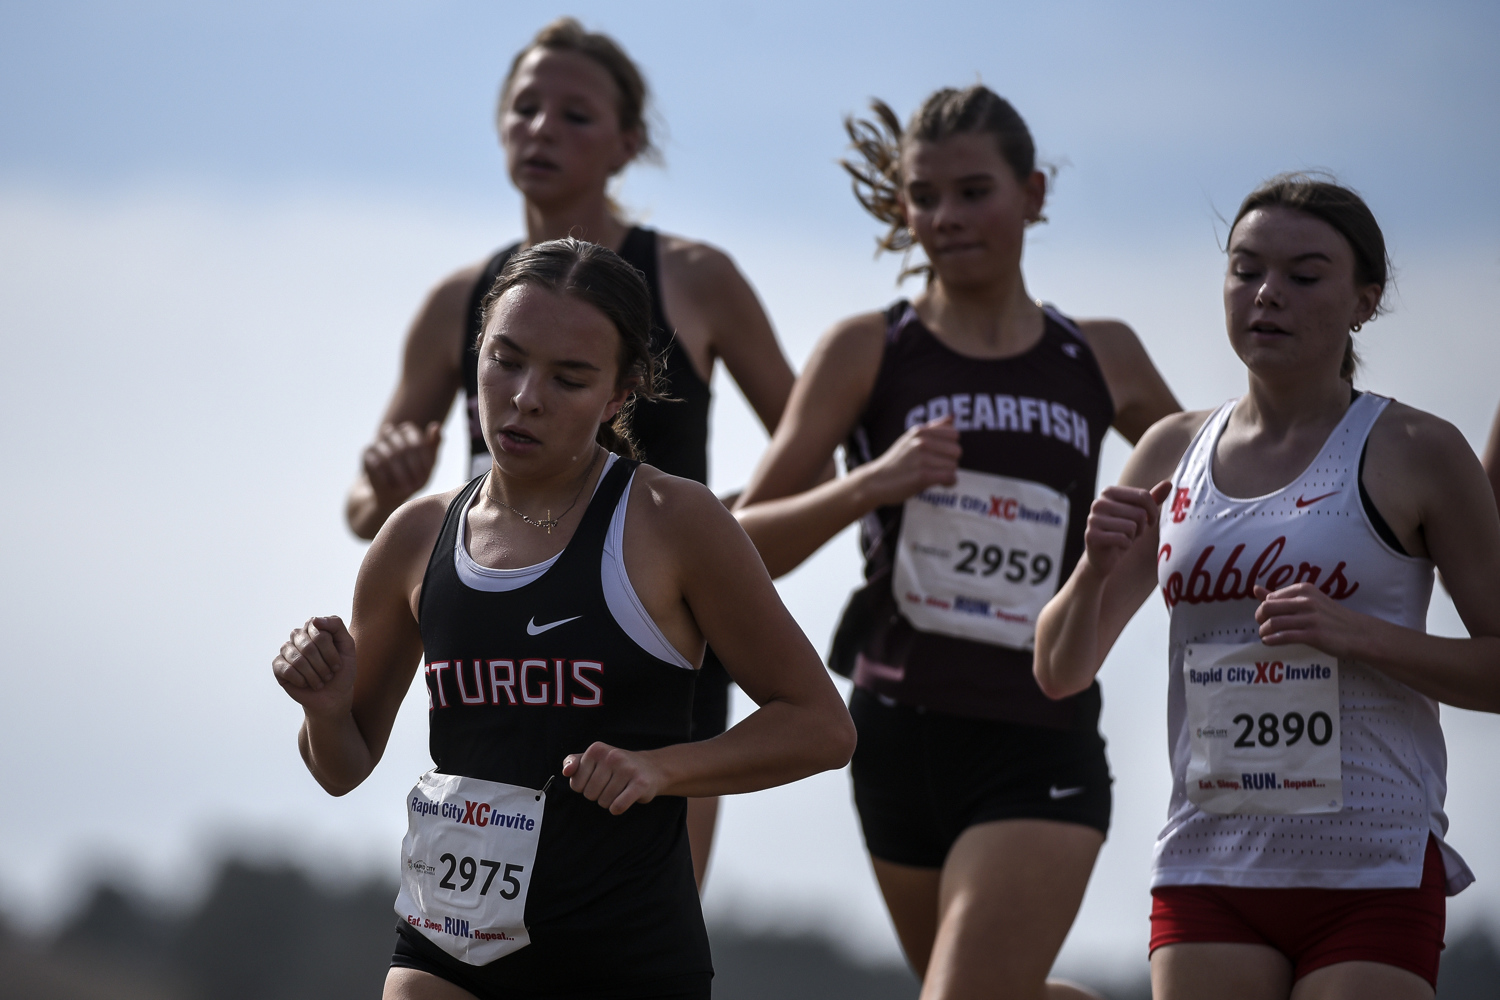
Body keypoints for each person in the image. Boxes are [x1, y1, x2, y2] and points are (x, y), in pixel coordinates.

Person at [275, 238, 856, 1000]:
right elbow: (343, 766)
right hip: (445, 947)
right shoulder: (415, 539)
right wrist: (323, 709)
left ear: (620, 396)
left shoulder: (670, 519)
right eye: (505, 361)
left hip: (622, 958)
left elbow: (821, 726)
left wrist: (661, 770)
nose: (524, 398)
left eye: (569, 379)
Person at [733, 86, 1180, 999]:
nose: (946, 217)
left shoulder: (1101, 355)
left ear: (1034, 195)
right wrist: (870, 482)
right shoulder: (868, 351)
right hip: (897, 735)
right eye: (924, 197)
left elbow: (1223, 487)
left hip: (1037, 733)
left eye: (974, 191)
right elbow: (738, 549)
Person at [343, 18, 807, 887]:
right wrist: (384, 487)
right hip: (500, 650)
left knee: (631, 922)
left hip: (654, 643)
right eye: (525, 107)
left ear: (629, 143)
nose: (542, 129)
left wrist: (725, 535)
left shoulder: (696, 278)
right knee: (483, 932)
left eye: (575, 115)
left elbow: (811, 437)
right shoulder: (458, 300)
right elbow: (368, 513)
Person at [1034, 174, 1500, 1000]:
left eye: (1304, 275)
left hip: (1372, 863)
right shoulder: (1169, 451)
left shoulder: (1421, 448)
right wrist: (1093, 573)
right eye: (1246, 271)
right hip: (1209, 862)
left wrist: (1360, 635)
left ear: (1365, 299)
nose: (1267, 296)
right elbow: (1059, 670)